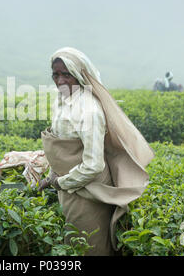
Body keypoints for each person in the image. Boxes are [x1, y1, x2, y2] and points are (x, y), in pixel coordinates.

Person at [38, 47, 154, 256]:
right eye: (56, 74)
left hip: (88, 189)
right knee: (72, 242)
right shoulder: (61, 101)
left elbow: (93, 165)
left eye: (66, 74)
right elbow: (62, 147)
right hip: (69, 185)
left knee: (89, 245)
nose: (60, 80)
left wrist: (61, 182)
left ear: (79, 74)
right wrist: (51, 177)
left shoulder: (89, 110)